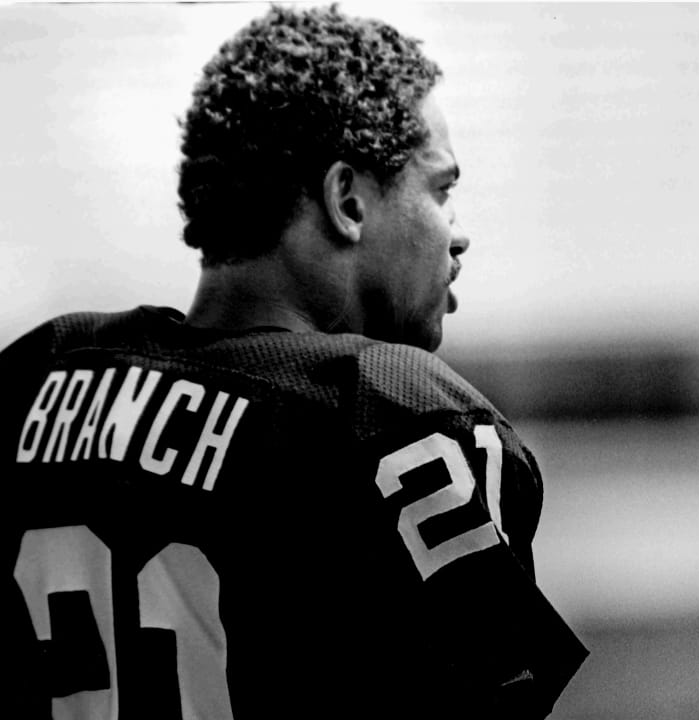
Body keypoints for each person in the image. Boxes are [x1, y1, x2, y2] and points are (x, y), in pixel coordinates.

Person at [2, 6, 585, 718]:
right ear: (347, 200)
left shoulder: (39, 380)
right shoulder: (400, 421)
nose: (457, 235)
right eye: (441, 189)